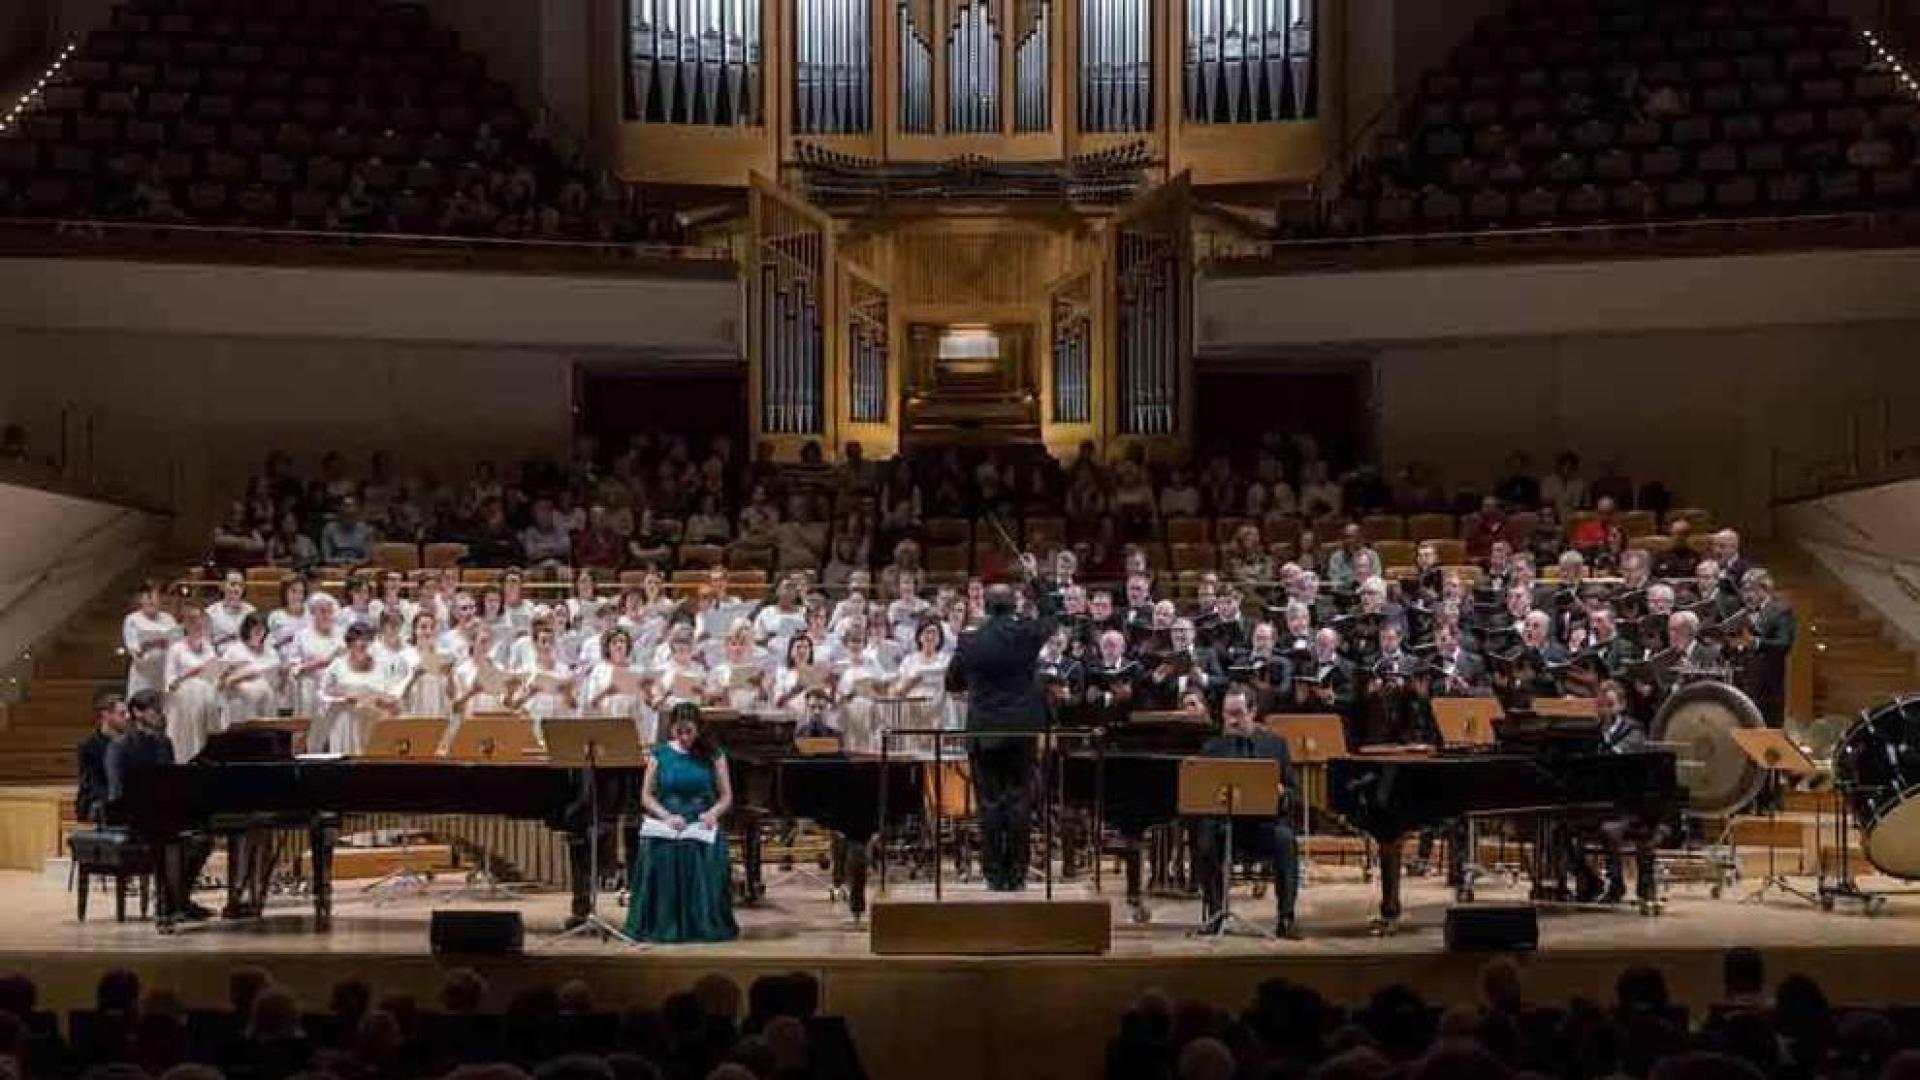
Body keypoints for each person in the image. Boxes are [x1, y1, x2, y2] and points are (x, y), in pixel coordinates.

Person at [944, 553, 1056, 892]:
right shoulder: (1024, 634)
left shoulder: (971, 639)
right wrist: (1036, 580)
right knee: (1020, 800)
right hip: (1021, 731)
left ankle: (994, 874)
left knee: (990, 803)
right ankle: (1017, 874)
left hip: (984, 730)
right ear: (1013, 606)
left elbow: (953, 682)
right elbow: (1052, 616)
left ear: (988, 608)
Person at [1192, 686, 1302, 939]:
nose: (1232, 720)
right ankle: (1216, 912)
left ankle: (1286, 918)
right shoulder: (1212, 748)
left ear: (1253, 712)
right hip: (1225, 826)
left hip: (1263, 826)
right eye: (1227, 714)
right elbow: (1200, 795)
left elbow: (1294, 794)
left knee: (1285, 841)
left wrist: (1282, 793)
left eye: (1238, 714)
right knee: (1205, 841)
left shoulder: (1276, 745)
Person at [626, 703, 738, 943]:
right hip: (669, 820)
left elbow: (727, 796)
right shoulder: (660, 754)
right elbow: (646, 795)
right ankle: (663, 924)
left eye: (689, 731)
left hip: (700, 822)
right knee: (661, 851)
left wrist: (713, 813)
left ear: (698, 729)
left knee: (697, 851)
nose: (685, 737)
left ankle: (701, 924)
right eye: (680, 732)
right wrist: (665, 816)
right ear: (672, 729)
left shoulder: (713, 754)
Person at [106, 691, 213, 927]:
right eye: (155, 710)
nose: (161, 715)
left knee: (203, 838)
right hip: (131, 814)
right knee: (169, 840)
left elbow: (170, 781)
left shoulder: (164, 742)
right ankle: (167, 906)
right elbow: (117, 791)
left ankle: (178, 899)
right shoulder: (120, 746)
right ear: (138, 713)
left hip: (161, 813)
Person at [1735, 569, 1796, 729]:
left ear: (1765, 590)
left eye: (1751, 590)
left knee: (1768, 730)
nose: (1746, 595)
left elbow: (1784, 643)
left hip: (1768, 687)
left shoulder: (1781, 611)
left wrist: (1756, 643)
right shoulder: (1741, 613)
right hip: (1744, 684)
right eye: (1744, 590)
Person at [163, 608, 224, 763]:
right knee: (196, 689)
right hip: (184, 698)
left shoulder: (209, 648)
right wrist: (189, 674)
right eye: (196, 626)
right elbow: (170, 682)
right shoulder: (176, 649)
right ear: (187, 627)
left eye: (203, 627)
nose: (200, 630)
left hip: (206, 696)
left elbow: (214, 674)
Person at [217, 613, 282, 729]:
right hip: (239, 694)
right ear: (247, 630)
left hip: (267, 694)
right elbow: (222, 679)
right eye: (255, 629)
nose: (259, 632)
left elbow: (275, 675)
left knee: (266, 691)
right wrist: (239, 677)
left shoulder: (270, 651)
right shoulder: (235, 650)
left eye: (261, 629)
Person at [76, 688, 129, 824]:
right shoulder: (90, 747)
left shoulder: (129, 745)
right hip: (98, 801)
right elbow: (93, 785)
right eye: (122, 714)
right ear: (106, 715)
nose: (127, 718)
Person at [122, 581, 178, 697]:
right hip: (144, 672)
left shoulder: (169, 618)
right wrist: (148, 644)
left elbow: (177, 642)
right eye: (148, 598)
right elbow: (133, 649)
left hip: (164, 670)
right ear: (141, 601)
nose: (152, 601)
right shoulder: (132, 619)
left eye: (155, 598)